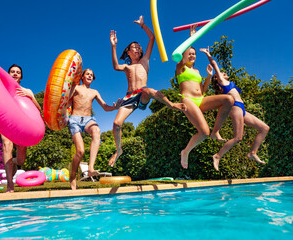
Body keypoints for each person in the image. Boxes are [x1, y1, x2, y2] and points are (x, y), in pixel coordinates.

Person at [109, 15, 187, 167]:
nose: (138, 48)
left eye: (139, 47)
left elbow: (152, 38)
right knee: (116, 123)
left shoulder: (145, 60)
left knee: (148, 90)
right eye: (134, 47)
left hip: (143, 93)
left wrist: (143, 25)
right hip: (130, 97)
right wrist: (113, 46)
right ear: (128, 52)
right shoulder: (127, 67)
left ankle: (171, 104)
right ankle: (119, 150)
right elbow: (115, 66)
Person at [200, 46, 269, 170]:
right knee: (238, 138)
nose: (223, 73)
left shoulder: (229, 83)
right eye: (220, 73)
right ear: (217, 78)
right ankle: (217, 156)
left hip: (241, 108)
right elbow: (214, 64)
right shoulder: (222, 81)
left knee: (264, 128)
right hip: (235, 107)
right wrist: (208, 54)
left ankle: (252, 153)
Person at [175, 25, 234, 170]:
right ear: (185, 54)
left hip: (200, 99)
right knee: (203, 133)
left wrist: (208, 76)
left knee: (228, 100)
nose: (192, 55)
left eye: (194, 54)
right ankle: (186, 151)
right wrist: (191, 38)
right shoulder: (180, 67)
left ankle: (216, 131)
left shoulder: (196, 71)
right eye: (189, 53)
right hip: (188, 100)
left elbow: (203, 90)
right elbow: (183, 57)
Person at [68, 68, 122, 190]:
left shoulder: (94, 92)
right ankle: (72, 176)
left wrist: (114, 108)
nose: (90, 76)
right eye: (87, 74)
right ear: (82, 76)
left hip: (88, 120)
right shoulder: (76, 88)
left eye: (92, 75)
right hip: (75, 119)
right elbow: (66, 101)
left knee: (97, 130)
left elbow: (104, 107)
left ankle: (91, 168)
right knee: (80, 151)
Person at [2, 64, 42, 193]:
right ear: (8, 74)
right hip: (6, 122)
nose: (15, 74)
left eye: (17, 72)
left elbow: (39, 109)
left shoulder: (27, 90)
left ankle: (12, 162)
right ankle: (10, 185)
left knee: (21, 160)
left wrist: (29, 96)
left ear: (21, 76)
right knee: (7, 144)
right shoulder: (2, 89)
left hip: (22, 125)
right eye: (12, 72)